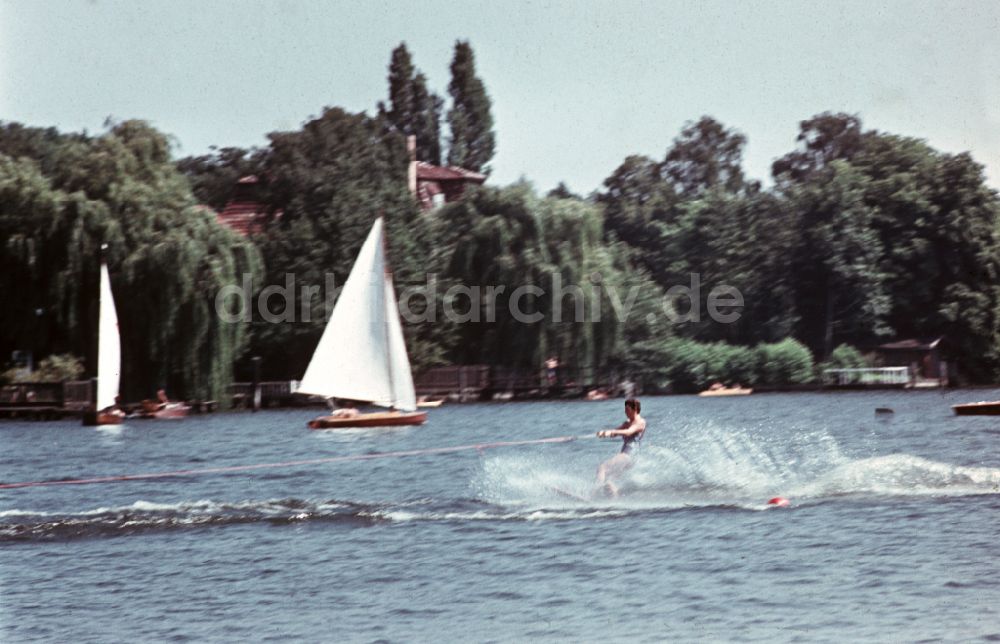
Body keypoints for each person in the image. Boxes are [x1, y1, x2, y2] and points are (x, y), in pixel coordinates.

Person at [595, 398, 646, 497]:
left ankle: (594, 493)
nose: (625, 412)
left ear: (635, 409)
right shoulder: (627, 423)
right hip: (628, 457)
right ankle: (615, 502)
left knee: (602, 468)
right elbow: (615, 432)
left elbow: (628, 432)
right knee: (609, 481)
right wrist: (604, 433)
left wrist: (613, 432)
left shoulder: (640, 422)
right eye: (625, 409)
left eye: (627, 409)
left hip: (629, 455)